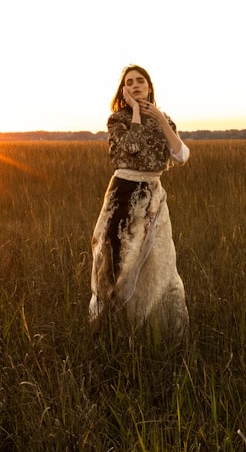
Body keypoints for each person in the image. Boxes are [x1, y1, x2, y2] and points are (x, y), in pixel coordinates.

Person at [88, 64, 190, 339]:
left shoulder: (164, 118)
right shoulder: (117, 120)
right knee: (119, 266)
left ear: (149, 86)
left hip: (153, 196)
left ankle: (156, 333)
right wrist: (135, 111)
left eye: (140, 81)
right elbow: (131, 146)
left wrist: (157, 116)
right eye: (129, 82)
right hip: (123, 195)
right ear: (124, 90)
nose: (135, 85)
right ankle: (114, 332)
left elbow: (180, 155)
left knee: (159, 263)